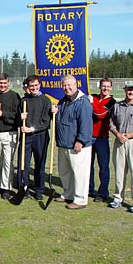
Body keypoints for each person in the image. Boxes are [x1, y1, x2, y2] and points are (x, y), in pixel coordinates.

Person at [52, 74, 93, 210]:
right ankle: (68, 193)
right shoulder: (62, 101)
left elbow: (86, 124)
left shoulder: (83, 102)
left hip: (77, 145)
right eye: (64, 85)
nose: (67, 87)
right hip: (63, 143)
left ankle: (80, 199)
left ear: (76, 85)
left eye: (69, 85)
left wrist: (80, 141)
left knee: (79, 173)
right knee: (65, 172)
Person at [108, 81, 133, 214]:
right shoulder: (117, 106)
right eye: (129, 90)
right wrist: (118, 135)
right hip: (120, 142)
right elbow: (111, 123)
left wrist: (129, 135)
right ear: (125, 90)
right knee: (119, 172)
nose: (131, 92)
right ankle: (118, 198)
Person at [17, 75, 51, 201]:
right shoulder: (24, 101)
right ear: (28, 87)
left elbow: (45, 122)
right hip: (26, 137)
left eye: (36, 85)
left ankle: (39, 189)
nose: (34, 88)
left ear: (39, 85)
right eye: (31, 86)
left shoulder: (45, 100)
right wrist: (21, 119)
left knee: (39, 163)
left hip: (40, 136)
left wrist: (31, 129)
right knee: (23, 163)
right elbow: (17, 120)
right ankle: (23, 187)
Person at [88, 78, 116, 203]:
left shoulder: (112, 101)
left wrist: (92, 103)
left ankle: (103, 192)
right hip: (89, 136)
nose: (105, 88)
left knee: (103, 166)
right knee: (88, 165)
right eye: (103, 86)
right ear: (99, 86)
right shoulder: (92, 97)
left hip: (102, 138)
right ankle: (89, 188)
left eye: (108, 86)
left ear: (111, 88)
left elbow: (100, 114)